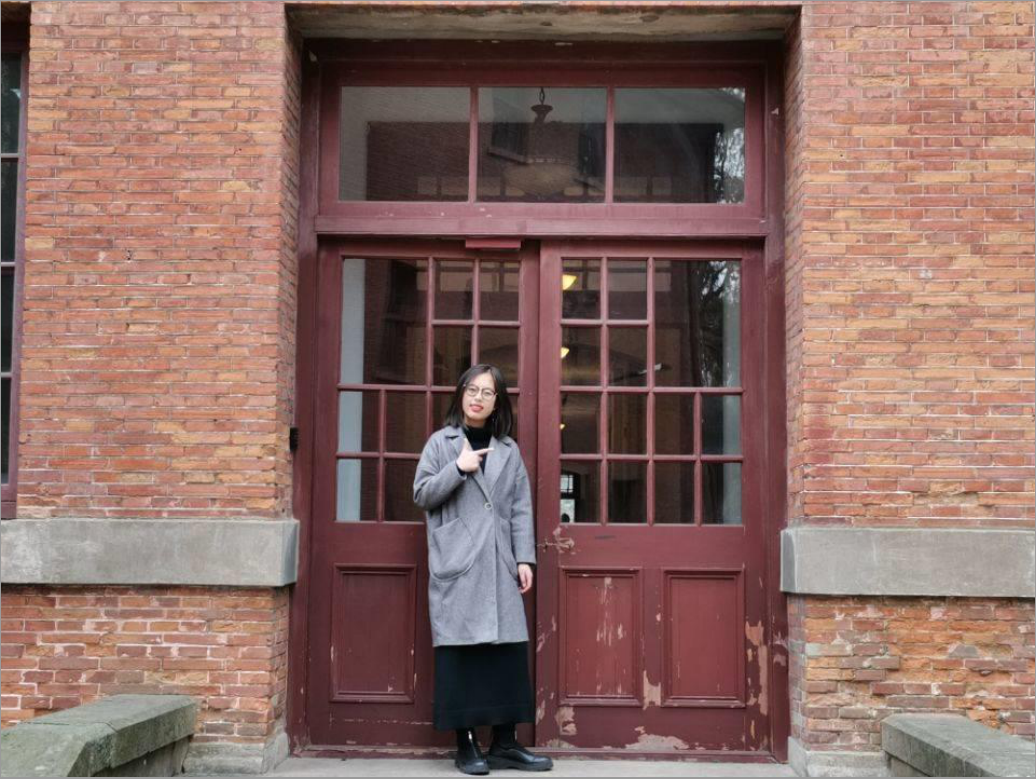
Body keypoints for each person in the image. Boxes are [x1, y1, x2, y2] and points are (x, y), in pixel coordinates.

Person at [413, 364, 554, 775]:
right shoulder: (441, 443)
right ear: (461, 394)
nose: (477, 398)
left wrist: (523, 558)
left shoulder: (508, 450)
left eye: (487, 393)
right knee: (463, 654)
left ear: (497, 403)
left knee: (505, 654)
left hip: (499, 563)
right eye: (472, 390)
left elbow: (519, 508)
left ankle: (505, 743)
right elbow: (422, 494)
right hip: (459, 562)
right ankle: (467, 744)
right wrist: (459, 469)